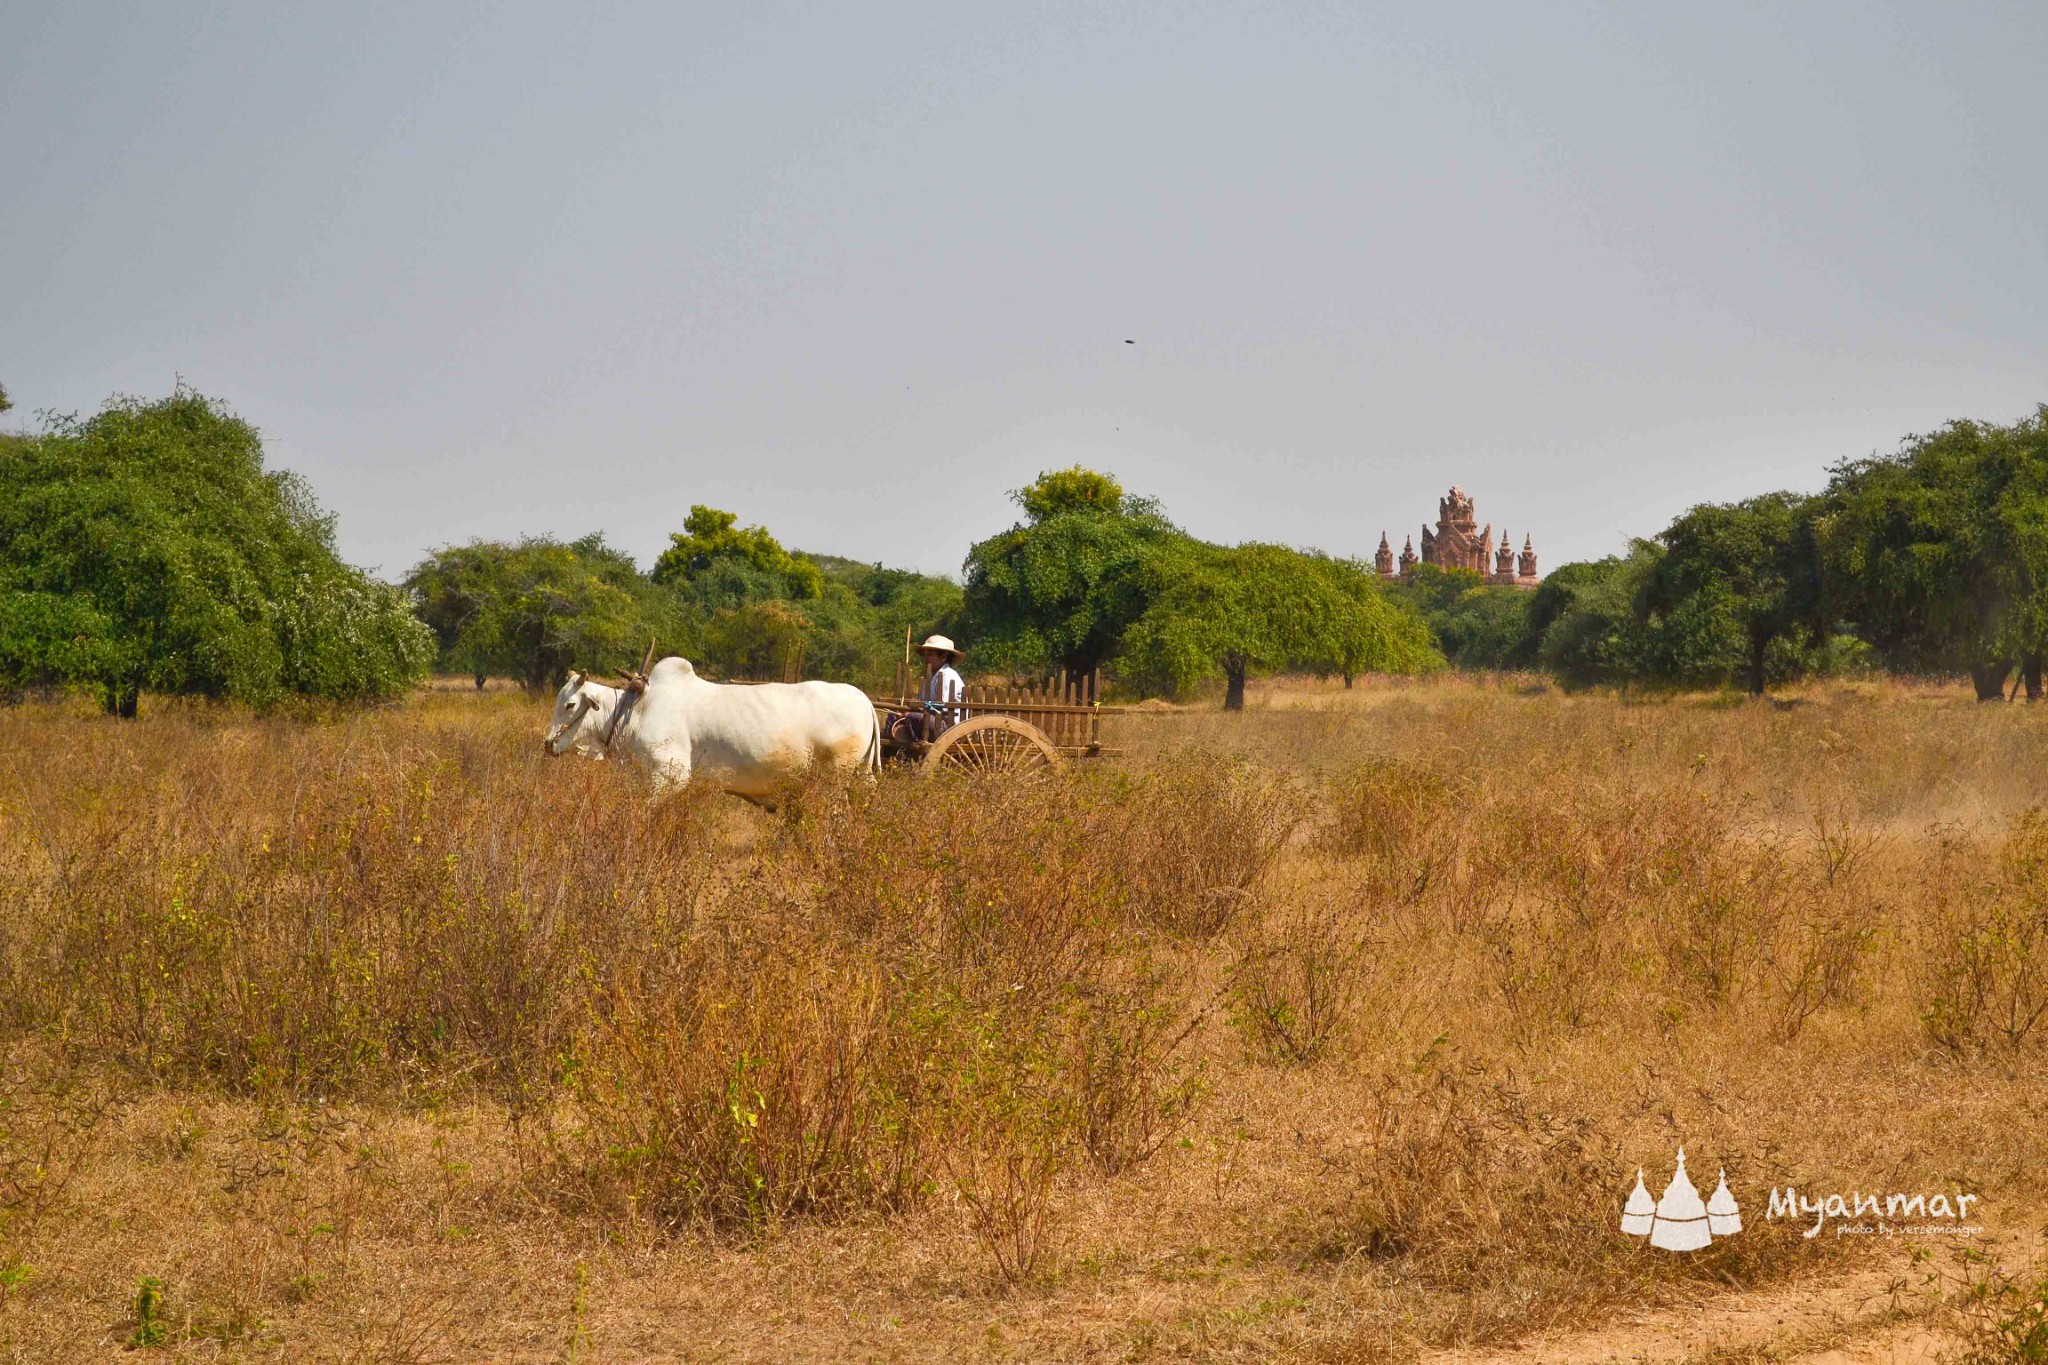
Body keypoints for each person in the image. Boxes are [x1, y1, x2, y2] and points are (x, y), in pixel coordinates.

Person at [888, 635, 967, 746]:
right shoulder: (930, 678)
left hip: (948, 726)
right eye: (924, 655)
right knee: (893, 714)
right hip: (933, 720)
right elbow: (921, 704)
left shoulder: (948, 676)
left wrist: (913, 712)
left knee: (913, 717)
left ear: (943, 656)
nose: (926, 659)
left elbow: (942, 707)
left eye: (930, 654)